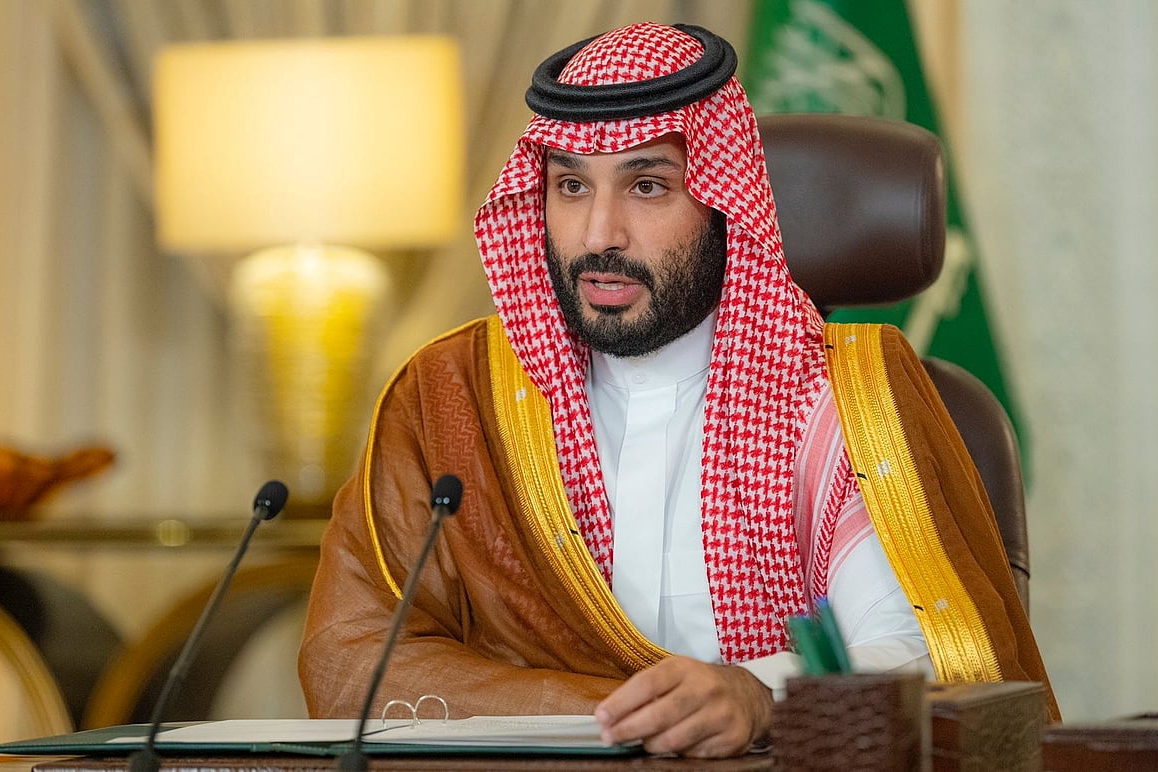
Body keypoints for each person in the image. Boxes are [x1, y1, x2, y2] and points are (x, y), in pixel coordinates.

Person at [299, 22, 1058, 758]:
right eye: (569, 185)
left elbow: (915, 650)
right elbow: (354, 666)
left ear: (724, 201)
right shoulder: (451, 399)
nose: (599, 234)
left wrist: (762, 696)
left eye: (649, 185)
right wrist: (626, 718)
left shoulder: (835, 397)